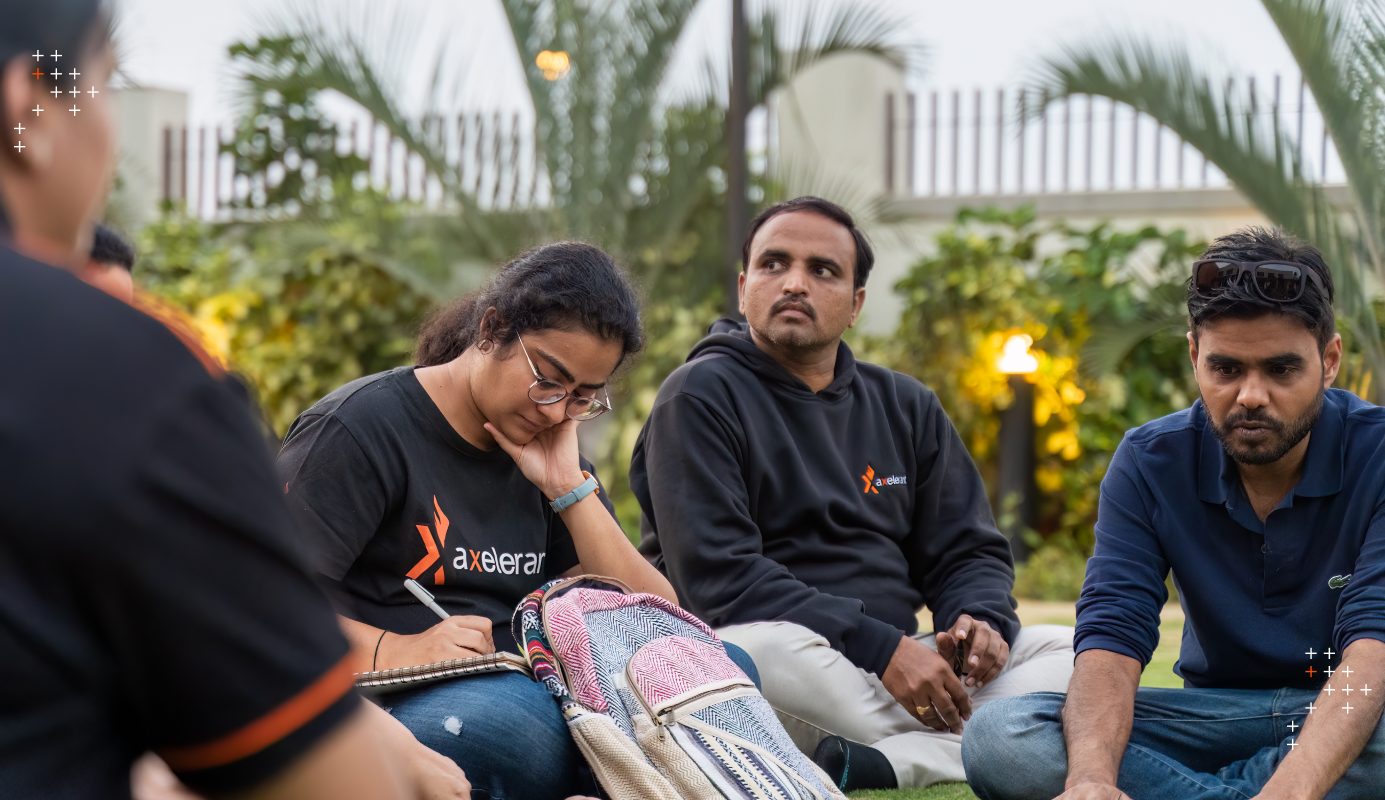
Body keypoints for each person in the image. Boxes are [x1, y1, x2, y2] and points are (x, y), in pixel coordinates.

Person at [0, 2, 461, 798]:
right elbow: (334, 785)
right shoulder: (119, 371)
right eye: (105, 87)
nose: (108, 135)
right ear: (30, 109)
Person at [276, 242, 760, 800]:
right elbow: (258, 601)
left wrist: (569, 489)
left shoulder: (550, 449)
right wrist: (399, 649)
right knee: (514, 730)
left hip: (535, 683)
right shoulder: (360, 430)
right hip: (401, 695)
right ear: (492, 329)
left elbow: (659, 622)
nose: (556, 410)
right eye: (549, 380)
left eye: (583, 397)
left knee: (721, 663)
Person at [630, 196, 1076, 792]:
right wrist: (884, 649)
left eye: (822, 270)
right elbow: (722, 580)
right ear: (744, 288)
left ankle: (891, 759)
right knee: (753, 652)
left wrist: (979, 621)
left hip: (896, 668)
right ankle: (992, 736)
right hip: (788, 661)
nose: (794, 283)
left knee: (1078, 650)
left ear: (856, 303)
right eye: (773, 264)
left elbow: (965, 548)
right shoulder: (698, 397)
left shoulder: (905, 405)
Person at [963, 226, 1385, 800]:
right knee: (1001, 736)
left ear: (1329, 361)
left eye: (1282, 370)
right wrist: (1090, 782)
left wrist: (1294, 788)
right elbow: (1113, 629)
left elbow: (1373, 643)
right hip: (1210, 716)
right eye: (1226, 368)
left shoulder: (1379, 453)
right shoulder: (1149, 460)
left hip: (1348, 701)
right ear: (1194, 355)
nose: (1251, 395)